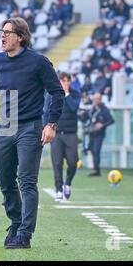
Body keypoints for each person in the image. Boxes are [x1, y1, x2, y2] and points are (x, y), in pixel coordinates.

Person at [0, 17, 64, 249]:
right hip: (5, 127)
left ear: (21, 36)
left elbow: (57, 93)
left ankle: (25, 235)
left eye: (7, 32)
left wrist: (51, 124)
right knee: (5, 180)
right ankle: (16, 223)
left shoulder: (39, 62)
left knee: (26, 181)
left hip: (30, 127)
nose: (2, 36)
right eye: (1, 32)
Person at [44, 72, 81, 201]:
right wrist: (45, 128)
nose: (66, 83)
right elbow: (46, 112)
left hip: (71, 133)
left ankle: (68, 183)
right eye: (63, 81)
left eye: (67, 81)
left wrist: (66, 95)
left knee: (73, 162)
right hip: (57, 133)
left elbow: (74, 108)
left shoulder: (75, 94)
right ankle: (59, 189)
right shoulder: (51, 94)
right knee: (57, 163)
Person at [86, 93, 115, 177]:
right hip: (92, 133)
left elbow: (111, 120)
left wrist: (102, 125)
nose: (95, 100)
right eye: (94, 99)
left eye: (97, 99)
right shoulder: (93, 109)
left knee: (96, 150)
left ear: (100, 99)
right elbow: (90, 119)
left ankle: (96, 169)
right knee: (91, 150)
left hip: (100, 134)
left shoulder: (104, 109)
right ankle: (95, 168)